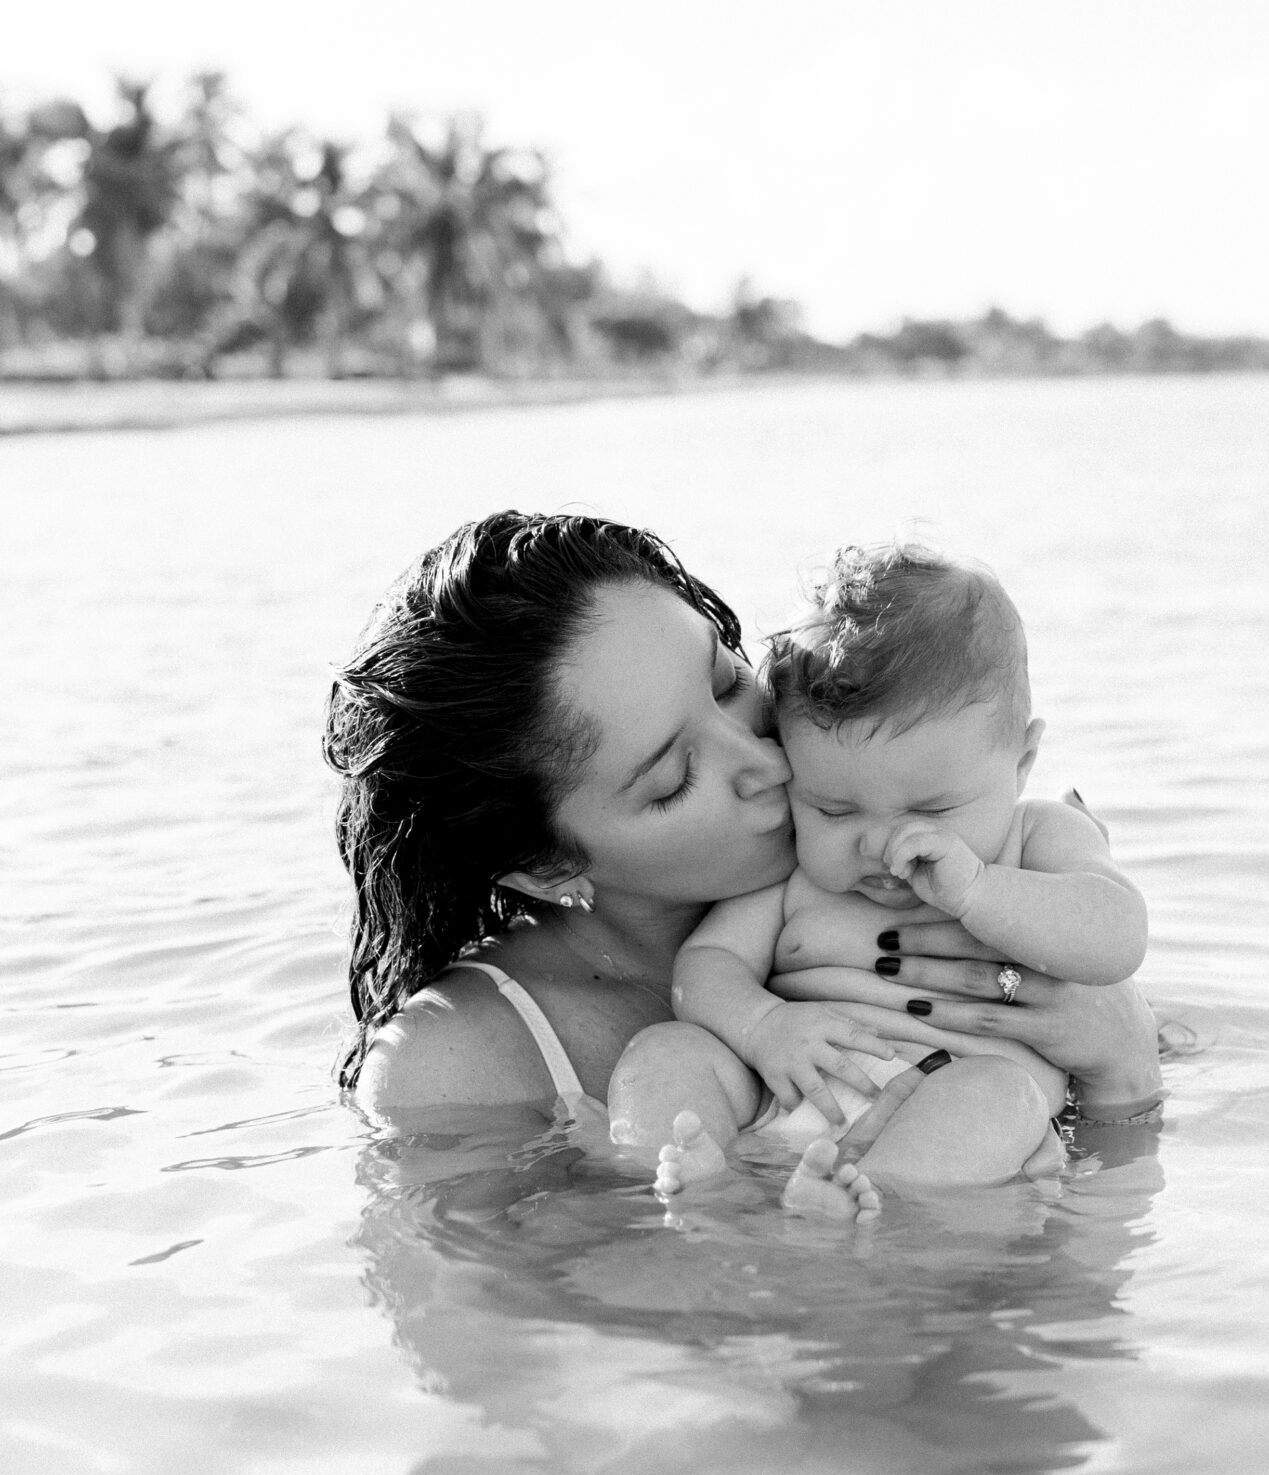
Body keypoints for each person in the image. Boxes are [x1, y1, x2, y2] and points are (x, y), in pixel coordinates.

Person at [325, 510, 1163, 1213]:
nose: (765, 762)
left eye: (729, 682)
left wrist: (1121, 1060)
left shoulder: (923, 826)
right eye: (677, 777)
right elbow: (550, 1337)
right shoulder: (452, 1066)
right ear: (546, 866)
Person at [666, 543, 1150, 1215]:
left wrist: (979, 890)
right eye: (832, 808)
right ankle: (671, 1171)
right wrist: (761, 1026)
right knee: (671, 1048)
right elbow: (706, 965)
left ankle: (875, 1206)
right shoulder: (795, 874)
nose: (881, 845)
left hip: (950, 1125)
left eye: (931, 810)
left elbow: (1116, 938)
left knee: (999, 1096)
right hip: (789, 1095)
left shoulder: (1034, 838)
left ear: (1022, 761)